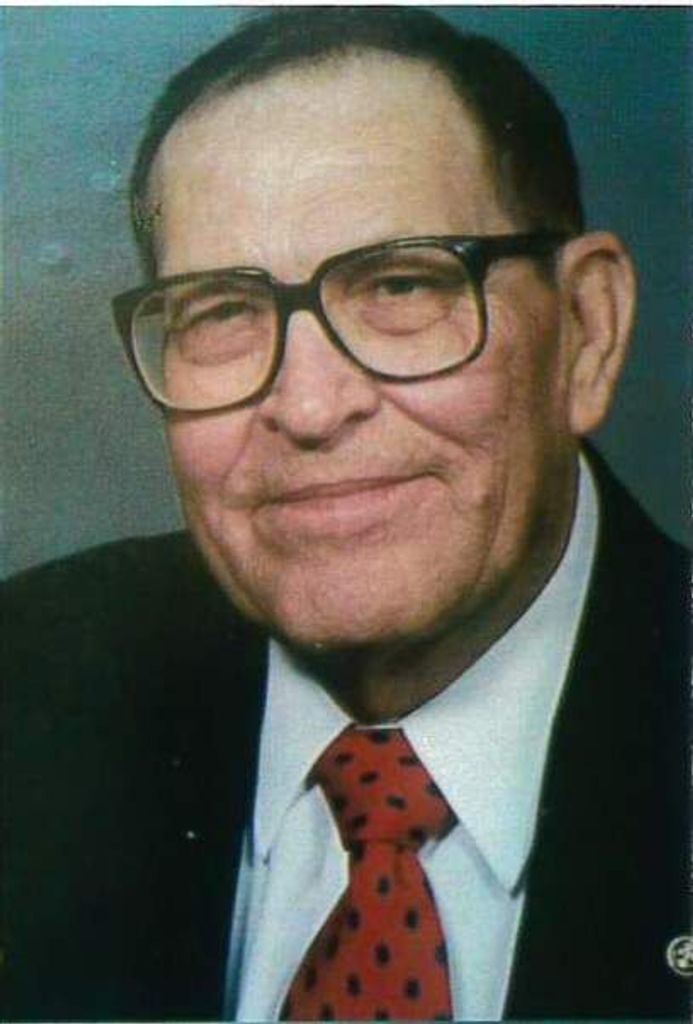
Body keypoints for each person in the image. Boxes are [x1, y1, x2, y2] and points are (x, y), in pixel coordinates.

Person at [4, 8, 689, 1021]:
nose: (311, 407)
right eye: (223, 311)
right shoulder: (26, 694)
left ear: (586, 330)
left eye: (402, 284)